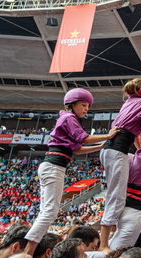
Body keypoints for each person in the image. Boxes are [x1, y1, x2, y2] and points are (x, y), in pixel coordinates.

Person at [25, 89, 119, 255]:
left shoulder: (66, 119)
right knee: (49, 212)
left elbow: (78, 149)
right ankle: (28, 252)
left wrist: (100, 147)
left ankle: (31, 251)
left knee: (45, 212)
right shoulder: (69, 118)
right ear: (72, 104)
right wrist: (108, 136)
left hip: (50, 165)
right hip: (54, 167)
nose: (86, 109)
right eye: (83, 105)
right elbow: (84, 138)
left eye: (87, 106)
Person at [99, 78, 141, 253]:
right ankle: (104, 244)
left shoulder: (128, 102)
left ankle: (108, 237)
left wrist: (140, 150)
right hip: (117, 150)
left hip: (109, 150)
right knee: (117, 197)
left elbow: (135, 135)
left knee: (116, 194)